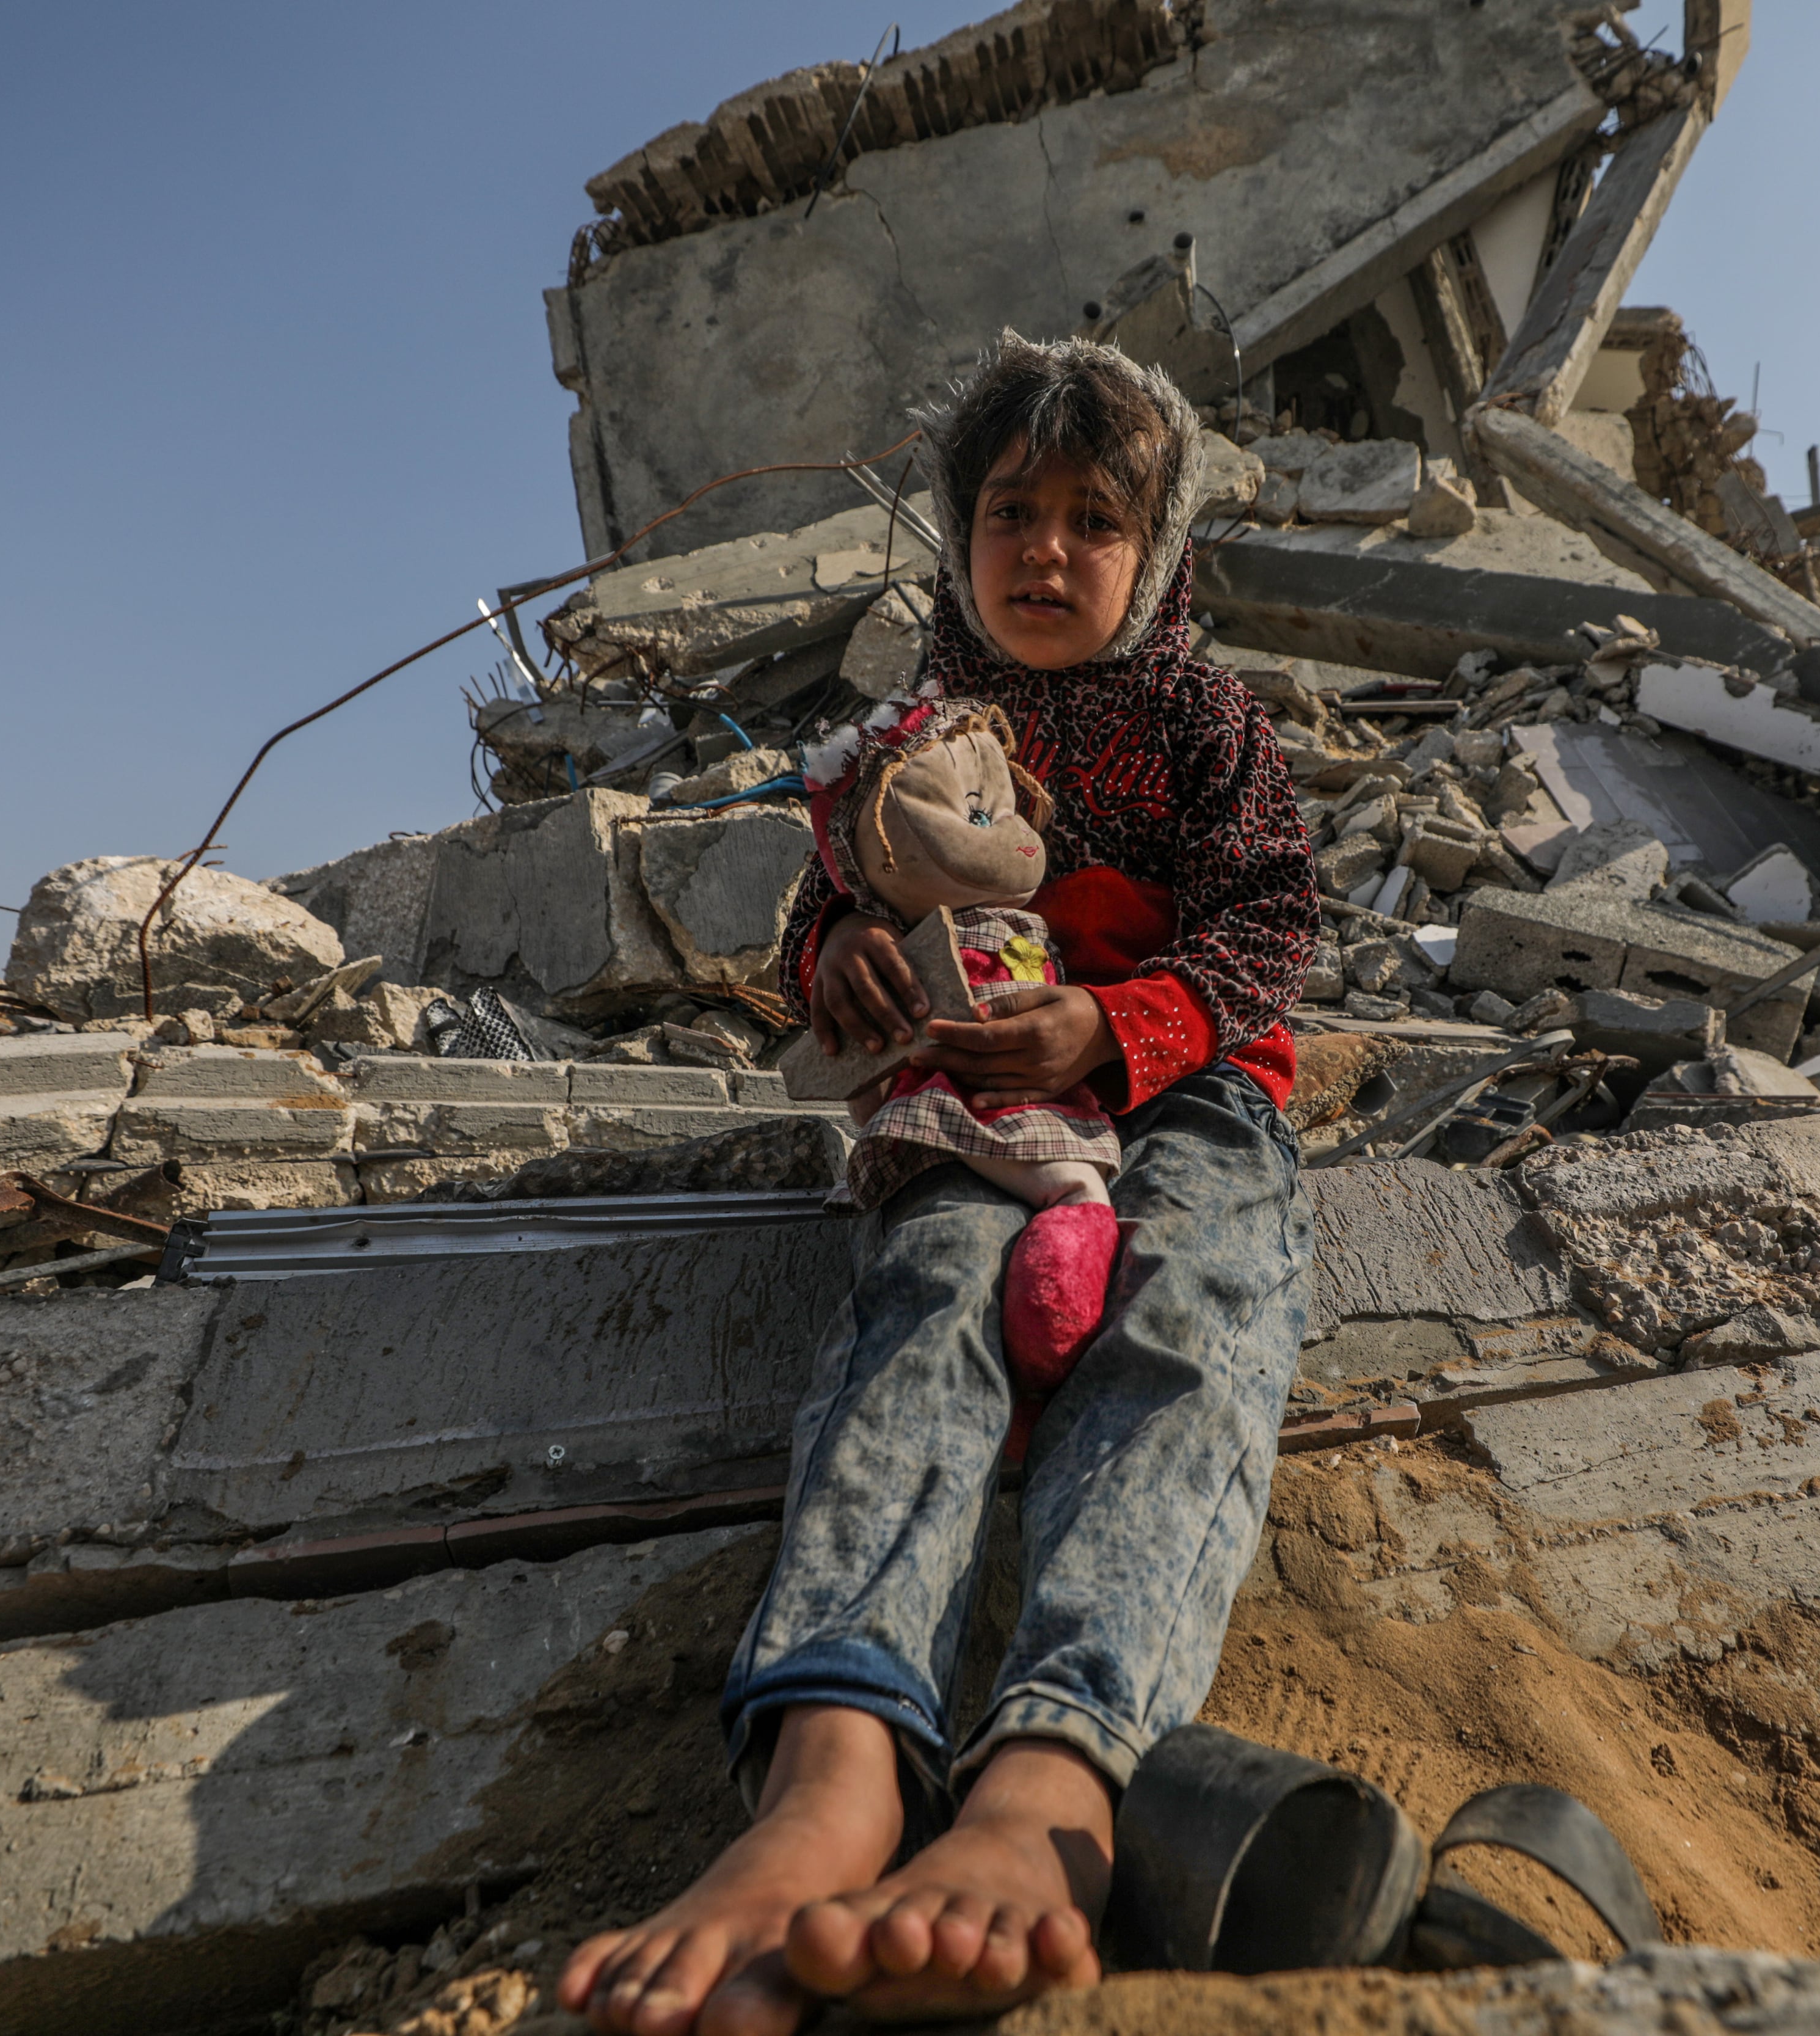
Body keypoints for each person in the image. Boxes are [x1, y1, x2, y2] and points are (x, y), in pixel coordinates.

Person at [560, 331, 1320, 2036]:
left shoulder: (1209, 724)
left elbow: (1272, 931)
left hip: (1185, 1090)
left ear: (1163, 553)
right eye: (1007, 512)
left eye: (1092, 521)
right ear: (955, 538)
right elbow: (831, 909)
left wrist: (1115, 1028)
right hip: (978, 1105)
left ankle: (1055, 1778)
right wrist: (847, 968)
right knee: (926, 1305)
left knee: (1192, 1315)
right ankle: (832, 1769)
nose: (1045, 551)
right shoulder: (916, 731)